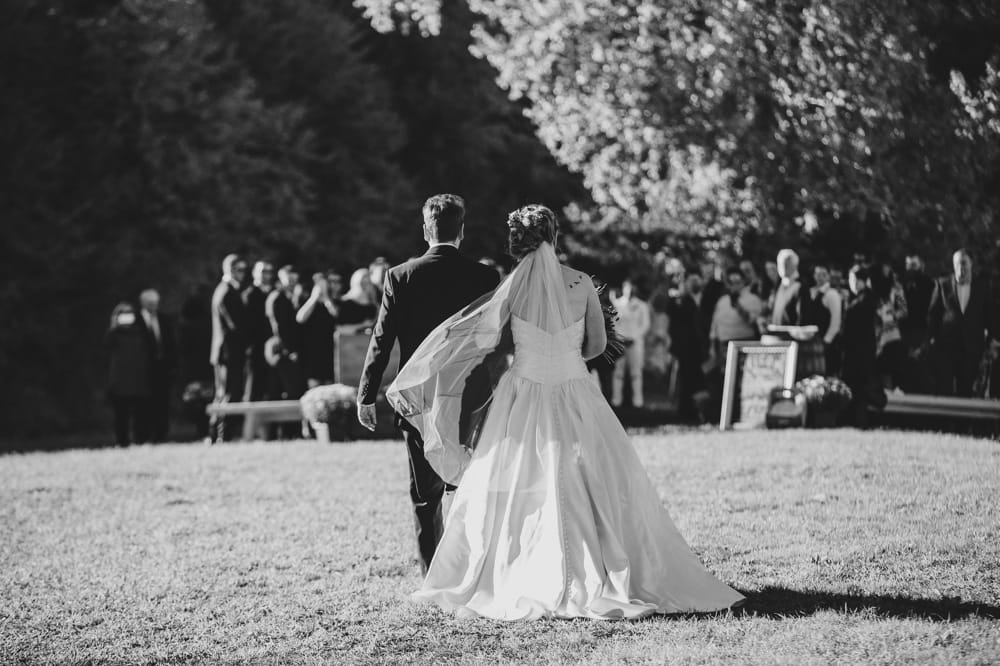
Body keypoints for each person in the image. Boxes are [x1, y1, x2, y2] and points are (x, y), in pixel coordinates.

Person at [390, 204, 744, 620]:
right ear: (554, 236)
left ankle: (515, 566)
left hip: (522, 394)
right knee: (593, 477)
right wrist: (565, 356)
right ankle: (603, 565)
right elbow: (595, 346)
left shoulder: (512, 286)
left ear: (517, 241)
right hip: (576, 390)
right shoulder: (581, 284)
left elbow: (487, 341)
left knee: (516, 481)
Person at [357, 194, 501, 574]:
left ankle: (434, 574)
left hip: (420, 396)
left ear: (425, 230)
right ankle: (476, 568)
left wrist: (366, 394)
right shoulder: (485, 277)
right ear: (462, 231)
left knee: (425, 495)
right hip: (472, 395)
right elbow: (495, 339)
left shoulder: (401, 276)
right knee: (474, 482)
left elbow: (381, 339)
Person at [926, 249, 997, 397]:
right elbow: (933, 315)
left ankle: (963, 421)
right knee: (944, 389)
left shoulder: (982, 288)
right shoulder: (942, 285)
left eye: (964, 263)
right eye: (957, 264)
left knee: (965, 390)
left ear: (971, 265)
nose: (960, 268)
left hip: (971, 348)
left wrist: (992, 340)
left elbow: (990, 317)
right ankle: (945, 420)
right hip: (946, 347)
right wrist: (932, 339)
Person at [209, 254, 249, 442]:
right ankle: (222, 436)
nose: (243, 274)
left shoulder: (225, 290)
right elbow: (235, 325)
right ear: (230, 270)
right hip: (228, 352)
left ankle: (215, 435)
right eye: (239, 270)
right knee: (228, 394)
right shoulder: (226, 292)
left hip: (226, 352)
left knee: (224, 393)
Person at [106, 302, 152, 446]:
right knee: (121, 415)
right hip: (119, 382)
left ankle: (140, 438)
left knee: (140, 414)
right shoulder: (113, 335)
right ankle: (122, 440)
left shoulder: (140, 333)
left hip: (138, 380)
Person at [842, 265, 880, 427]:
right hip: (862, 350)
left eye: (853, 280)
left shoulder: (864, 300)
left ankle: (858, 421)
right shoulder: (865, 299)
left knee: (859, 387)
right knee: (859, 387)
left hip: (859, 351)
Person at [137, 288, 175, 442]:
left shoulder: (164, 319)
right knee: (143, 405)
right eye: (150, 303)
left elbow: (171, 344)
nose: (154, 306)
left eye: (156, 303)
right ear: (143, 303)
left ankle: (161, 435)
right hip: (143, 370)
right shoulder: (136, 321)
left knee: (162, 404)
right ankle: (142, 436)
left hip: (162, 369)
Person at [610, 278, 651, 409]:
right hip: (620, 343)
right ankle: (616, 400)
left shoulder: (642, 305)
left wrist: (634, 337)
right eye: (627, 288)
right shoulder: (617, 304)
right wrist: (620, 338)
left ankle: (638, 401)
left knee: (636, 372)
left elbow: (645, 325)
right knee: (618, 372)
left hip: (636, 343)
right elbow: (613, 324)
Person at [900, 254, 935, 393]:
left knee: (920, 367)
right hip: (904, 332)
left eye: (914, 265)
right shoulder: (902, 284)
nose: (910, 269)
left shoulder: (929, 285)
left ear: (921, 266)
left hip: (921, 331)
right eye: (908, 265)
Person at [297, 272, 339, 387]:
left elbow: (336, 315)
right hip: (312, 348)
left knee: (329, 381)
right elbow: (300, 318)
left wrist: (326, 298)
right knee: (313, 381)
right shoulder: (307, 300)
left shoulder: (333, 301)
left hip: (329, 347)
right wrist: (314, 298)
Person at [800, 265, 843, 376]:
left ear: (828, 276)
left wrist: (826, 341)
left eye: (823, 274)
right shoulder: (810, 292)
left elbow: (836, 321)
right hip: (810, 343)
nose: (820, 278)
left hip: (825, 343)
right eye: (818, 274)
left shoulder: (832, 294)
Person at [872, 263, 908, 390]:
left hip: (891, 334)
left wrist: (892, 316)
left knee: (889, 368)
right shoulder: (873, 287)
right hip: (876, 334)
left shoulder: (896, 288)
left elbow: (903, 310)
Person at [242, 261, 274, 404]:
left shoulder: (273, 294)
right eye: (263, 272)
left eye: (269, 272)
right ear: (255, 273)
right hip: (255, 350)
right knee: (254, 389)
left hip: (272, 349)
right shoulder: (249, 295)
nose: (266, 275)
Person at [768, 249, 801, 327]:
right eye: (780, 263)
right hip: (777, 333)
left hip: (791, 335)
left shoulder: (800, 286)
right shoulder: (779, 285)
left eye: (786, 264)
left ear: (794, 265)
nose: (782, 266)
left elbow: (802, 318)